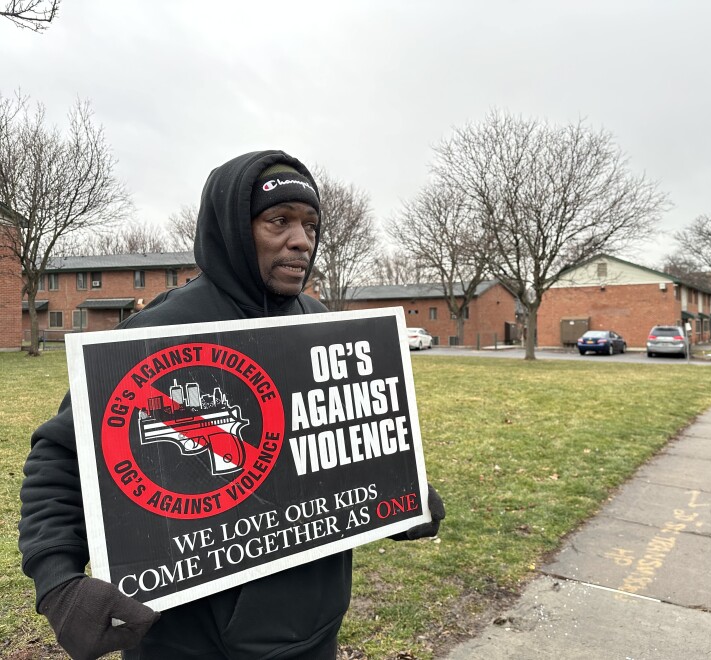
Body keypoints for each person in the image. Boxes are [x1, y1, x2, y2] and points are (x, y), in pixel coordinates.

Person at [18, 150, 446, 660]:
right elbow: (60, 459)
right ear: (234, 231)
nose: (301, 240)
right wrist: (58, 580)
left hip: (314, 632)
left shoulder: (320, 323)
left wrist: (398, 491)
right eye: (279, 221)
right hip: (192, 642)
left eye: (311, 224)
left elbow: (334, 442)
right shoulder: (157, 331)